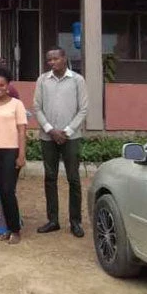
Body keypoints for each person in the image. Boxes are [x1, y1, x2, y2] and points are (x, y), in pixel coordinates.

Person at [33, 47, 88, 238]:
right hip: (48, 136)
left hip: (70, 137)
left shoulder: (77, 80)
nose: (52, 62)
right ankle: (53, 220)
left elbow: (83, 109)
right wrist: (50, 129)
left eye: (56, 58)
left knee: (73, 178)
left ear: (64, 58)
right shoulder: (42, 80)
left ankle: (75, 222)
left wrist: (67, 131)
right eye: (49, 60)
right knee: (50, 177)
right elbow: (37, 108)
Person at [0, 66, 28, 244]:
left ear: (8, 85)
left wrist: (21, 154)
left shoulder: (16, 104)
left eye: (2, 85)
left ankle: (15, 230)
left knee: (8, 190)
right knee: (0, 191)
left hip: (12, 151)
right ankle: (5, 228)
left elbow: (22, 130)